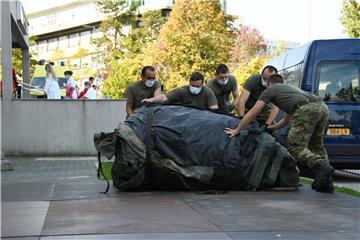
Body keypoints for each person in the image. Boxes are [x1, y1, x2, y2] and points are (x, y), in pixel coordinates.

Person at [224, 74, 334, 193]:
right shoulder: (289, 91)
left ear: (269, 83)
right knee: (316, 146)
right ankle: (327, 184)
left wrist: (237, 129)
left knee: (295, 147)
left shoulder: (271, 89)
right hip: (322, 107)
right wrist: (272, 127)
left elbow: (253, 112)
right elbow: (286, 120)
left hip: (306, 109)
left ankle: (320, 165)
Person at [142, 72, 218, 109]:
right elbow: (164, 97)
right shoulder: (182, 91)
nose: (195, 87)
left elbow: (214, 108)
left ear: (202, 85)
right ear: (189, 83)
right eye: (193, 85)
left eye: (197, 86)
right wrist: (151, 100)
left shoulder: (208, 92)